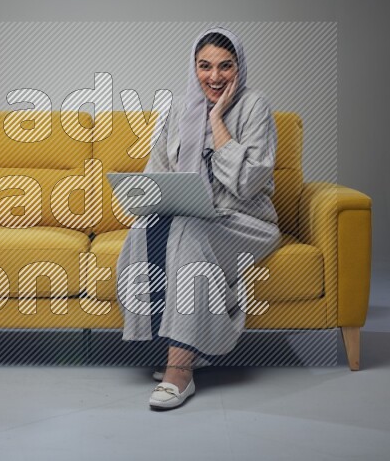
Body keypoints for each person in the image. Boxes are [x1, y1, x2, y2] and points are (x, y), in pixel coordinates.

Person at [115, 27, 282, 410]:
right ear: (194, 68)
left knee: (188, 231)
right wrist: (150, 196)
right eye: (204, 67)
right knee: (144, 231)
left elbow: (250, 182)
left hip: (244, 220)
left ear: (239, 68)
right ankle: (178, 343)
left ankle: (180, 369)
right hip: (192, 216)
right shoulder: (177, 109)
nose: (215, 76)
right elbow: (155, 170)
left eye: (226, 66)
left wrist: (218, 119)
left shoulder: (255, 105)